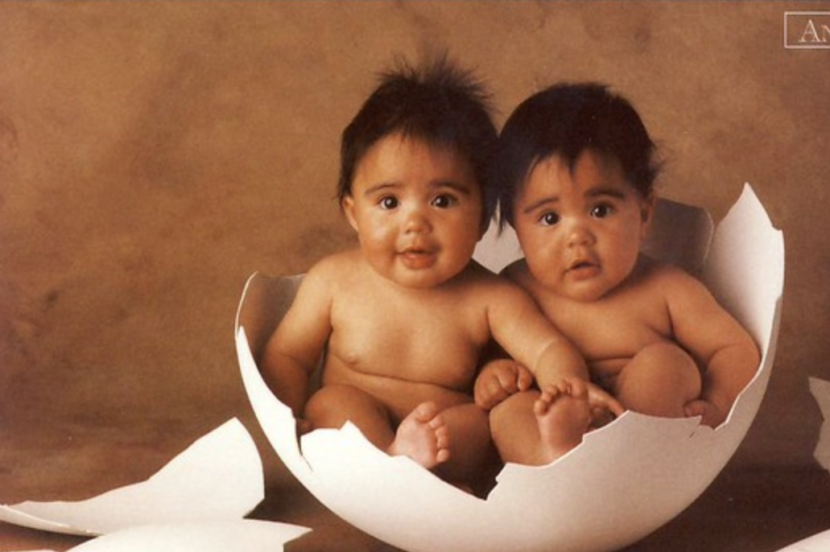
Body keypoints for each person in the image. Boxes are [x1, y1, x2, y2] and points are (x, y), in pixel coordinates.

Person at [259, 60, 619, 488]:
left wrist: (568, 390)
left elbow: (546, 348)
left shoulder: (488, 296)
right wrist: (288, 415)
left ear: (483, 217)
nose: (416, 224)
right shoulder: (333, 281)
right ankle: (390, 461)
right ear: (353, 213)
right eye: (390, 202)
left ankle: (547, 458)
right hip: (361, 434)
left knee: (483, 422)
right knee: (331, 405)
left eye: (443, 201)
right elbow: (287, 355)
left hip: (443, 439)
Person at [475, 83, 760, 466]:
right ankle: (551, 456)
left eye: (600, 210)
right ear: (516, 227)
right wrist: (495, 375)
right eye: (549, 218)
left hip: (643, 429)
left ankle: (630, 453)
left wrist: (719, 404)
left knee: (662, 364)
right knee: (509, 410)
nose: (577, 236)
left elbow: (734, 348)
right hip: (559, 413)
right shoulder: (512, 291)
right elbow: (483, 357)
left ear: (643, 212)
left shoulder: (666, 288)